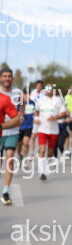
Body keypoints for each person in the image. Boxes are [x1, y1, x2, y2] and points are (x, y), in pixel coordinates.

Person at [35, 85, 68, 181]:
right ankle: (42, 172)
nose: (48, 90)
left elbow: (63, 113)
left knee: (50, 153)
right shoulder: (40, 100)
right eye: (47, 89)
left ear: (53, 90)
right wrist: (36, 118)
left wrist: (55, 117)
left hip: (53, 130)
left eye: (50, 89)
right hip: (42, 129)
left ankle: (45, 167)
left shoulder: (58, 100)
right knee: (42, 150)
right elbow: (36, 111)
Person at [0, 67, 22, 204]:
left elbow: (21, 108)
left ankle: (5, 192)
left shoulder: (17, 93)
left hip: (12, 130)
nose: (7, 78)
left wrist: (21, 117)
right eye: (5, 76)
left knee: (10, 158)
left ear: (12, 78)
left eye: (9, 76)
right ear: (1, 78)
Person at [17, 89, 35, 162]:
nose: (26, 96)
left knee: (26, 143)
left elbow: (36, 113)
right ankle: (19, 155)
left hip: (29, 126)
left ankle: (25, 159)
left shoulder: (32, 103)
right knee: (19, 144)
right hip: (20, 126)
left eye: (28, 94)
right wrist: (20, 114)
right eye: (25, 94)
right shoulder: (19, 104)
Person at [29, 80, 45, 155]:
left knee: (41, 135)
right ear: (35, 86)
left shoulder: (44, 94)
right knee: (33, 135)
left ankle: (40, 150)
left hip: (43, 116)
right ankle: (32, 152)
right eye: (38, 85)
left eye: (40, 86)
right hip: (35, 116)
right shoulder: (32, 94)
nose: (39, 87)